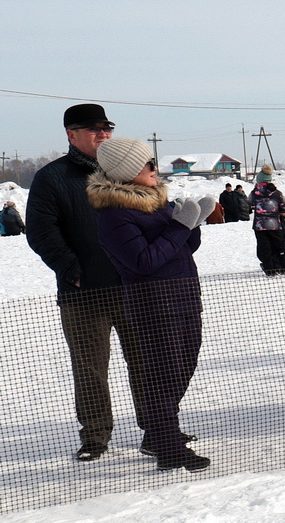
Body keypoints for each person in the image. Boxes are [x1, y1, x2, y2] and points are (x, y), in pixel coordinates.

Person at [25, 103, 150, 461]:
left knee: (147, 361)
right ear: (71, 134)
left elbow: (151, 215)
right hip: (82, 294)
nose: (103, 134)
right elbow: (41, 231)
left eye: (107, 128)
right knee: (90, 369)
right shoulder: (52, 177)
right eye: (94, 129)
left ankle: (156, 426)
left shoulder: (125, 172)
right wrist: (71, 269)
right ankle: (95, 435)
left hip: (133, 287)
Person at [86, 137, 216, 471]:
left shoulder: (154, 202)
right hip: (154, 304)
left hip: (184, 296)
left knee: (182, 368)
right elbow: (144, 261)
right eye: (149, 165)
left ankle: (162, 434)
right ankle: (167, 444)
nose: (155, 170)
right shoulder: (114, 215)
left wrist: (193, 224)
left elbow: (181, 249)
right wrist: (179, 226)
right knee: (163, 375)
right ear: (130, 170)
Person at [249, 165, 285, 275]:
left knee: (265, 248)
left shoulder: (254, 193)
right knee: (281, 247)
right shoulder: (277, 193)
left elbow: (247, 204)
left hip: (260, 226)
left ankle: (270, 271)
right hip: (274, 225)